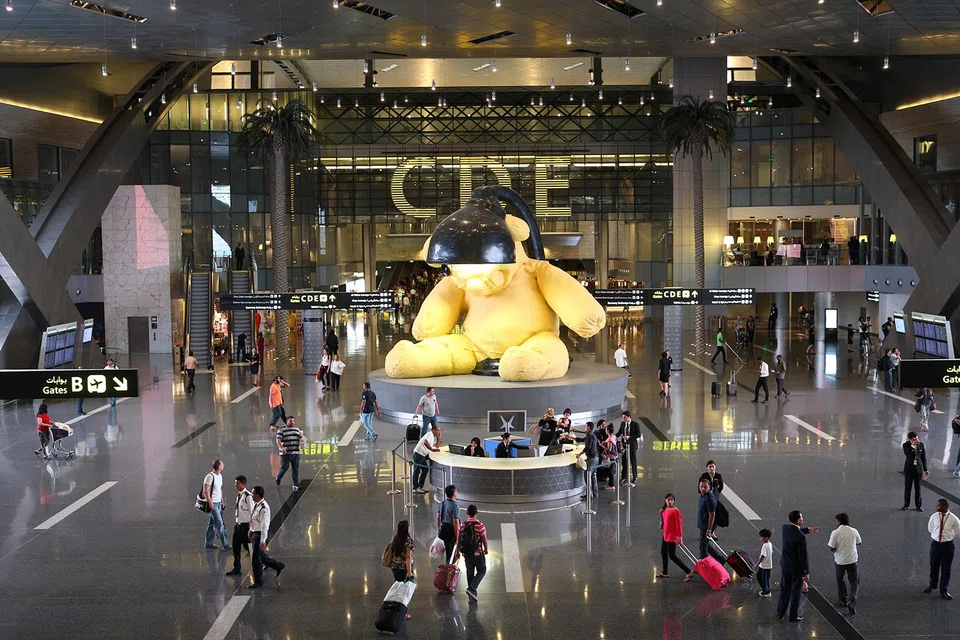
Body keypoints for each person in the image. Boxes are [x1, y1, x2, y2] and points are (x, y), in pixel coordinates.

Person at [248, 485, 284, 589]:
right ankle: (278, 566)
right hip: (255, 533)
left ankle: (258, 581)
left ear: (258, 495)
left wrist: (263, 541)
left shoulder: (263, 508)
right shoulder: (257, 505)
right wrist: (251, 530)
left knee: (256, 559)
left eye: (253, 493)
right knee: (261, 556)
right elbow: (255, 520)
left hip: (260, 535)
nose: (251, 495)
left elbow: (264, 526)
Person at [778, 510, 810, 622]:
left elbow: (795, 532)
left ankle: (781, 612)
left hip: (785, 565)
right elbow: (803, 556)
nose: (802, 519)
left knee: (785, 589)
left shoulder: (785, 528)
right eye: (801, 518)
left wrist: (808, 530)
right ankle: (793, 615)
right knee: (796, 592)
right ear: (797, 520)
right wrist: (806, 572)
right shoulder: (801, 538)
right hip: (796, 569)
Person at [827, 512, 862, 614]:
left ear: (839, 521)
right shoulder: (854, 531)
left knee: (841, 580)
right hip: (852, 560)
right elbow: (859, 542)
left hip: (840, 561)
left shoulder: (835, 532)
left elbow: (831, 548)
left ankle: (842, 600)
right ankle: (852, 601)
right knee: (854, 582)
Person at [926, 498, 960, 600]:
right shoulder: (934, 516)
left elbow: (958, 532)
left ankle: (944, 590)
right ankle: (933, 584)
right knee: (933, 565)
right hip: (936, 545)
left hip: (948, 546)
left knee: (946, 569)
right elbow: (930, 528)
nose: (937, 507)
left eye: (939, 506)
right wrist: (937, 536)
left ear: (945, 507)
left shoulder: (954, 519)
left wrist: (948, 536)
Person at [656, 493, 693, 581]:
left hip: (671, 536)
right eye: (668, 499)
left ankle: (688, 571)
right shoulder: (665, 509)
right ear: (665, 500)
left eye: (672, 499)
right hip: (665, 534)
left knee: (672, 556)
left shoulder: (676, 511)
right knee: (663, 552)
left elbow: (679, 525)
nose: (670, 501)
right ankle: (665, 572)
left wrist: (679, 537)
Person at [225, 475, 254, 576]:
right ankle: (237, 567)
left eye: (237, 483)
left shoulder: (248, 496)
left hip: (246, 527)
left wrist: (251, 528)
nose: (235, 485)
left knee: (249, 547)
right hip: (238, 526)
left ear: (243, 484)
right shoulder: (239, 495)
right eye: (235, 483)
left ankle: (266, 561)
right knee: (236, 547)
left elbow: (252, 513)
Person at [459, 504, 489, 601]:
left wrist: (457, 551)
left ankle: (472, 594)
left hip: (466, 553)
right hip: (477, 552)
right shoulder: (480, 525)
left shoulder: (463, 525)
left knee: (470, 572)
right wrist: (486, 549)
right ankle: (472, 589)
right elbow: (484, 539)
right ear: (477, 513)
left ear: (467, 513)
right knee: (482, 570)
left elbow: (458, 539)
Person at [203, 459, 231, 550]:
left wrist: (222, 500)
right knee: (219, 523)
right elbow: (205, 491)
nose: (223, 465)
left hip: (218, 502)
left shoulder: (220, 476)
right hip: (213, 503)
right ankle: (225, 544)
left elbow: (220, 489)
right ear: (218, 466)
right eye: (222, 464)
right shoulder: (210, 476)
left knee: (211, 524)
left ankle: (208, 542)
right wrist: (210, 503)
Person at [903, 431, 930, 511]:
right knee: (908, 488)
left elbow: (923, 458)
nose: (916, 440)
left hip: (918, 470)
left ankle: (918, 505)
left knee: (918, 488)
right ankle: (906, 505)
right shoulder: (906, 445)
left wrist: (925, 469)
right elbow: (907, 454)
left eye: (917, 438)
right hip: (909, 470)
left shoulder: (921, 445)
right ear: (910, 439)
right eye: (914, 439)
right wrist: (912, 446)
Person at [275, 416, 304, 491]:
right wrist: (281, 448)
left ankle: (296, 484)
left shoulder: (297, 430)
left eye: (293, 421)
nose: (292, 422)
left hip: (296, 452)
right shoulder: (282, 430)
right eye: (290, 421)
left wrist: (301, 437)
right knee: (284, 467)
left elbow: (302, 440)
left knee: (295, 469)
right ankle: (278, 477)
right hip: (285, 454)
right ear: (286, 422)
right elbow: (278, 440)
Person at [412, 424, 441, 494]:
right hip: (418, 454)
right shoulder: (430, 434)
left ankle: (420, 486)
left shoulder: (432, 437)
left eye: (439, 431)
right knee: (417, 470)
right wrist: (431, 449)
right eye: (438, 430)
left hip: (422, 455)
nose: (439, 432)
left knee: (425, 470)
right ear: (433, 430)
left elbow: (436, 446)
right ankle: (415, 487)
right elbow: (425, 442)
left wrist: (439, 438)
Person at [576, 422, 600, 502]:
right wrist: (572, 438)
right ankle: (595, 492)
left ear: (589, 427)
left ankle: (589, 494)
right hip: (596, 457)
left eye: (586, 426)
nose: (585, 428)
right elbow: (583, 440)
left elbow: (588, 447)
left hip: (591, 458)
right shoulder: (591, 434)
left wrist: (579, 454)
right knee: (593, 475)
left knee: (587, 475)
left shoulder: (589, 435)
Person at [387, 520, 415, 588]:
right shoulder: (409, 541)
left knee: (397, 584)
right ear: (407, 529)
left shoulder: (395, 538)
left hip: (395, 566)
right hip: (403, 567)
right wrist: (409, 571)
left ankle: (395, 597)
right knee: (404, 588)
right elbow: (408, 557)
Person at [437, 485, 461, 562]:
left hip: (444, 529)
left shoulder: (442, 504)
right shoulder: (455, 506)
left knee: (448, 550)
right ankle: (450, 568)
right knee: (453, 553)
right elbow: (455, 522)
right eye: (456, 491)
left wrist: (439, 529)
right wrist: (457, 537)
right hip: (451, 531)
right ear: (454, 493)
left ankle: (448, 566)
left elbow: (438, 517)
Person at [616, 410, 640, 484]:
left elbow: (638, 434)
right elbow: (619, 432)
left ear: (629, 417)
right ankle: (624, 477)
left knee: (633, 461)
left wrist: (629, 437)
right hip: (624, 446)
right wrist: (613, 436)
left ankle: (635, 477)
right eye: (623, 417)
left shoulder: (635, 424)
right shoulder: (623, 424)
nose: (624, 419)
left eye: (625, 417)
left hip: (632, 445)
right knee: (624, 461)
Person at [697, 479, 717, 560]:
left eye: (705, 487)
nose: (703, 488)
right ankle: (721, 560)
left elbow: (712, 515)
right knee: (706, 545)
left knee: (703, 547)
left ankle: (704, 565)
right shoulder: (703, 496)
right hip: (703, 525)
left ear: (709, 487)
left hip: (706, 526)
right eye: (701, 486)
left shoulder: (709, 499)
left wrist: (709, 530)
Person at [755, 529, 773, 597]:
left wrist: (757, 564)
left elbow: (763, 556)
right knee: (764, 578)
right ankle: (766, 589)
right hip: (766, 565)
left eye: (762, 537)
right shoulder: (770, 544)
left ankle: (766, 591)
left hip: (764, 565)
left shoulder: (765, 546)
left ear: (766, 537)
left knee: (763, 578)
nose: (761, 538)